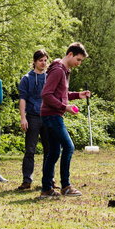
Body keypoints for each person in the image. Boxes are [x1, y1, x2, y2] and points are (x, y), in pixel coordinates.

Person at [40, 42, 90, 197]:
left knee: (54, 152)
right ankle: (65, 186)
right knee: (69, 147)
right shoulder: (58, 71)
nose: (79, 63)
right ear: (70, 54)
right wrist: (65, 107)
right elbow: (46, 94)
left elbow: (59, 93)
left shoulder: (64, 71)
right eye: (78, 59)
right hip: (51, 115)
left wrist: (77, 95)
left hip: (52, 115)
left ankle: (47, 189)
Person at [17, 49, 50, 190]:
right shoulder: (26, 78)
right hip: (32, 117)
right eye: (40, 60)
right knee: (30, 150)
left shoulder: (50, 77)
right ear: (35, 62)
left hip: (48, 116)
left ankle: (48, 179)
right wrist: (23, 117)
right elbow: (22, 99)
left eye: (45, 60)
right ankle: (27, 180)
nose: (43, 63)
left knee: (49, 150)